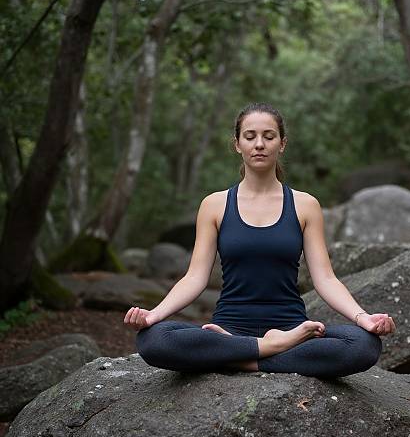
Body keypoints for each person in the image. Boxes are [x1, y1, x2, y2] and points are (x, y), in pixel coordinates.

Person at [124, 102, 396, 378]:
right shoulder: (214, 205)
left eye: (269, 136)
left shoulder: (305, 205)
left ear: (282, 144)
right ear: (237, 144)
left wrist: (363, 317)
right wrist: (154, 315)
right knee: (153, 339)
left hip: (291, 329)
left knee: (363, 345)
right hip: (227, 330)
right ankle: (268, 349)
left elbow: (325, 279)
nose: (259, 144)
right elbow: (195, 277)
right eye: (250, 136)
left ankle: (236, 357)